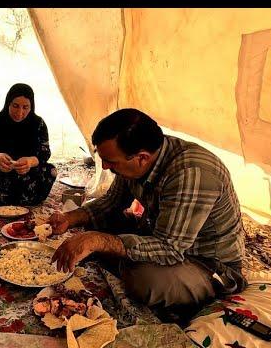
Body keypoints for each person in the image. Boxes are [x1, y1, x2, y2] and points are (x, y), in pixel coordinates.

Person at [48, 108, 247, 316]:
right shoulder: (139, 155)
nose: (105, 167)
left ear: (142, 158)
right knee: (96, 222)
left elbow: (169, 248)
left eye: (111, 162)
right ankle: (119, 257)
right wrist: (69, 218)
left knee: (144, 280)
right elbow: (112, 202)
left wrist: (99, 241)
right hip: (157, 233)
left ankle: (202, 290)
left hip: (204, 261)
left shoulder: (191, 173)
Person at [0, 83, 57, 206]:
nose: (20, 112)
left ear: (31, 107)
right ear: (8, 103)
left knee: (50, 171)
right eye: (15, 106)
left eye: (25, 107)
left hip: (25, 175)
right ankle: (14, 198)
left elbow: (45, 152)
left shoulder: (38, 123)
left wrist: (29, 161)